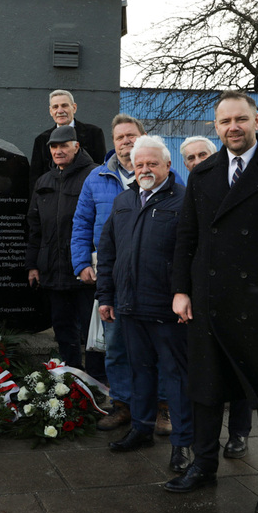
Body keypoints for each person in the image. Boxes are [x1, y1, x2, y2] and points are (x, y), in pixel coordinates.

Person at [165, 90, 258, 513]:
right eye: (225, 121)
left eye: (241, 119)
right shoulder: (203, 173)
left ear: (257, 120)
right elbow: (187, 237)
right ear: (216, 126)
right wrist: (180, 290)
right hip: (209, 302)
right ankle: (203, 466)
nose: (233, 127)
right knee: (206, 391)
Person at [96, 135, 193, 472]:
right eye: (139, 164)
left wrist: (185, 295)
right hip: (129, 306)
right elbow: (108, 251)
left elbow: (192, 255)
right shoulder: (124, 200)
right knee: (139, 373)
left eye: (152, 163)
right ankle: (140, 429)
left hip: (168, 311)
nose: (145, 169)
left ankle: (182, 444)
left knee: (176, 379)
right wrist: (105, 296)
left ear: (168, 165)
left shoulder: (184, 201)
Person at [179, 135, 253, 459]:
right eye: (190, 158)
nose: (197, 161)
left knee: (239, 369)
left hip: (239, 293)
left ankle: (239, 432)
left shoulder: (237, 184)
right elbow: (186, 241)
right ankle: (205, 445)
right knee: (208, 373)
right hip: (204, 294)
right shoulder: (192, 190)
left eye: (202, 155)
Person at [71, 114, 145, 431]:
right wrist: (81, 263)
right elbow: (81, 223)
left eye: (131, 135)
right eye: (120, 137)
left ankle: (161, 407)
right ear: (113, 143)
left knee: (156, 347)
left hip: (152, 275)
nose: (126, 141)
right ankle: (122, 405)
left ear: (142, 136)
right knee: (115, 347)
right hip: (111, 276)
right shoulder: (96, 177)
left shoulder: (161, 171)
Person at [27, 125, 100, 376]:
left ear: (76, 146)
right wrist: (32, 265)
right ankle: (72, 378)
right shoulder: (44, 181)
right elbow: (35, 228)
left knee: (92, 332)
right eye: (54, 147)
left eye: (64, 145)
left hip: (84, 272)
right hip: (53, 270)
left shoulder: (94, 175)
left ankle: (95, 381)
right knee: (63, 329)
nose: (58, 151)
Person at [30, 90, 107, 187]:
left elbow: (101, 169)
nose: (60, 111)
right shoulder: (41, 140)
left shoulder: (93, 133)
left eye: (64, 105)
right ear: (50, 111)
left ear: (74, 108)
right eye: (55, 107)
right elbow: (35, 179)